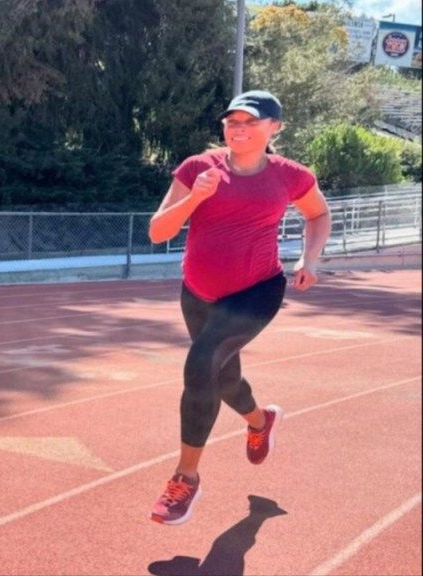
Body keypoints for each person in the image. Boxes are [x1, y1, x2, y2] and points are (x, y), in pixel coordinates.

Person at [147, 90, 331, 525]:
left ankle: (184, 479)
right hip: (197, 292)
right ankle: (260, 419)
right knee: (224, 377)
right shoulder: (197, 168)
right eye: (232, 121)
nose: (239, 129)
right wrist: (195, 198)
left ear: (274, 128)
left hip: (257, 290)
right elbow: (158, 232)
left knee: (201, 365)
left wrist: (311, 257)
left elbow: (317, 214)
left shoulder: (291, 176)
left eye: (250, 122)